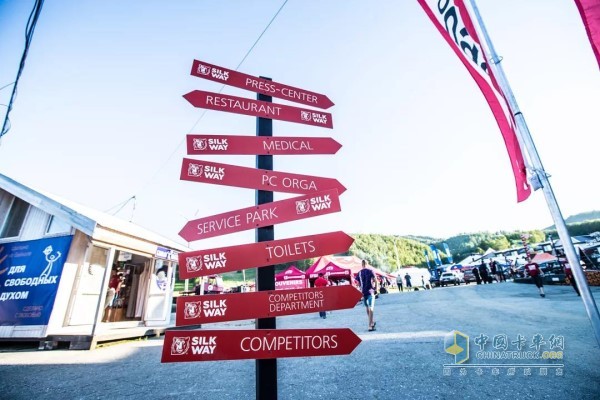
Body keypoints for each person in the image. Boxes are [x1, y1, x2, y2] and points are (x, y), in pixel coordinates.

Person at [357, 260, 377, 331]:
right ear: (367, 264)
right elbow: (375, 280)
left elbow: (358, 284)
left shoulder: (359, 273)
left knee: (367, 307)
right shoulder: (370, 271)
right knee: (371, 308)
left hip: (363, 292)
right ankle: (370, 325)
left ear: (362, 264)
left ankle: (372, 322)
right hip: (370, 291)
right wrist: (376, 289)